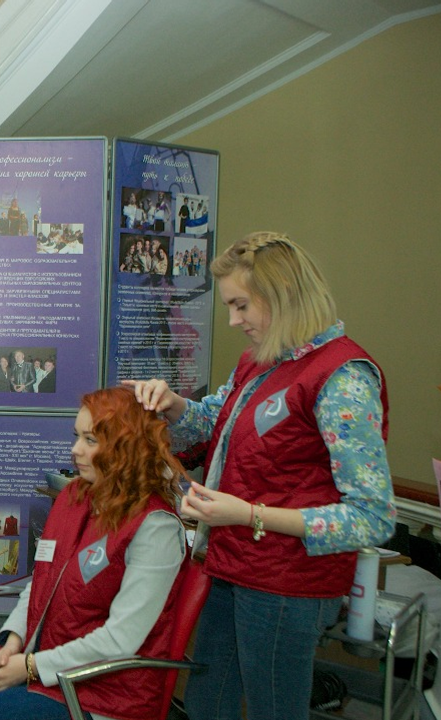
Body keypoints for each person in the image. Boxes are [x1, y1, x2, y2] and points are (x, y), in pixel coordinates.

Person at [125, 231, 393, 720]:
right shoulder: (261, 360)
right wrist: (174, 404)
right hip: (232, 563)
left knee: (274, 707)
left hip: (288, 584)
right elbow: (216, 420)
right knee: (208, 702)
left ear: (283, 294)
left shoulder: (343, 377)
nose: (233, 320)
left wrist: (250, 515)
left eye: (241, 305)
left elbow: (371, 518)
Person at [0, 387, 189, 720]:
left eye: (90, 440)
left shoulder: (155, 527)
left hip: (101, 692)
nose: (75, 450)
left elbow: (121, 640)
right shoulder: (73, 496)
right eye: (77, 437)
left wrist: (29, 666)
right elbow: (41, 580)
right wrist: (13, 642)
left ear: (126, 447)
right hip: (39, 658)